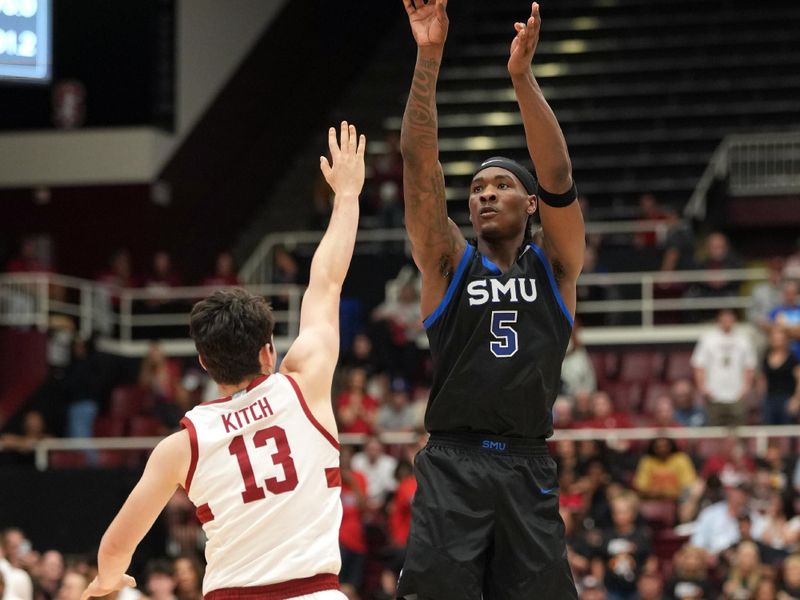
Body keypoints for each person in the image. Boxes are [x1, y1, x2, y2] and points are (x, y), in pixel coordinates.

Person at [79, 122, 367, 600]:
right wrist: (349, 196)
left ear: (204, 364)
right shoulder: (304, 384)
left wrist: (107, 584)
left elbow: (114, 546)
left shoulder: (182, 445)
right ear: (267, 351)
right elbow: (327, 281)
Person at [396, 1, 584, 597]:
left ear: (530, 206)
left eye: (502, 185)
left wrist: (522, 80)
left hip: (528, 465)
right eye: (476, 187)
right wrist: (428, 58)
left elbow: (557, 175)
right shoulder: (450, 261)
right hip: (454, 464)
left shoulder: (555, 266)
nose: (484, 195)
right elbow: (418, 162)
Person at [691, 308, 757, 426]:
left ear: (734, 320)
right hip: (714, 394)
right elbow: (698, 366)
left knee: (739, 431)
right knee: (714, 432)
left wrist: (746, 388)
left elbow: (750, 367)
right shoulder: (708, 339)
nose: (727, 321)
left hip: (736, 395)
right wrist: (703, 387)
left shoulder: (744, 340)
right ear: (719, 320)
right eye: (724, 318)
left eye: (729, 318)